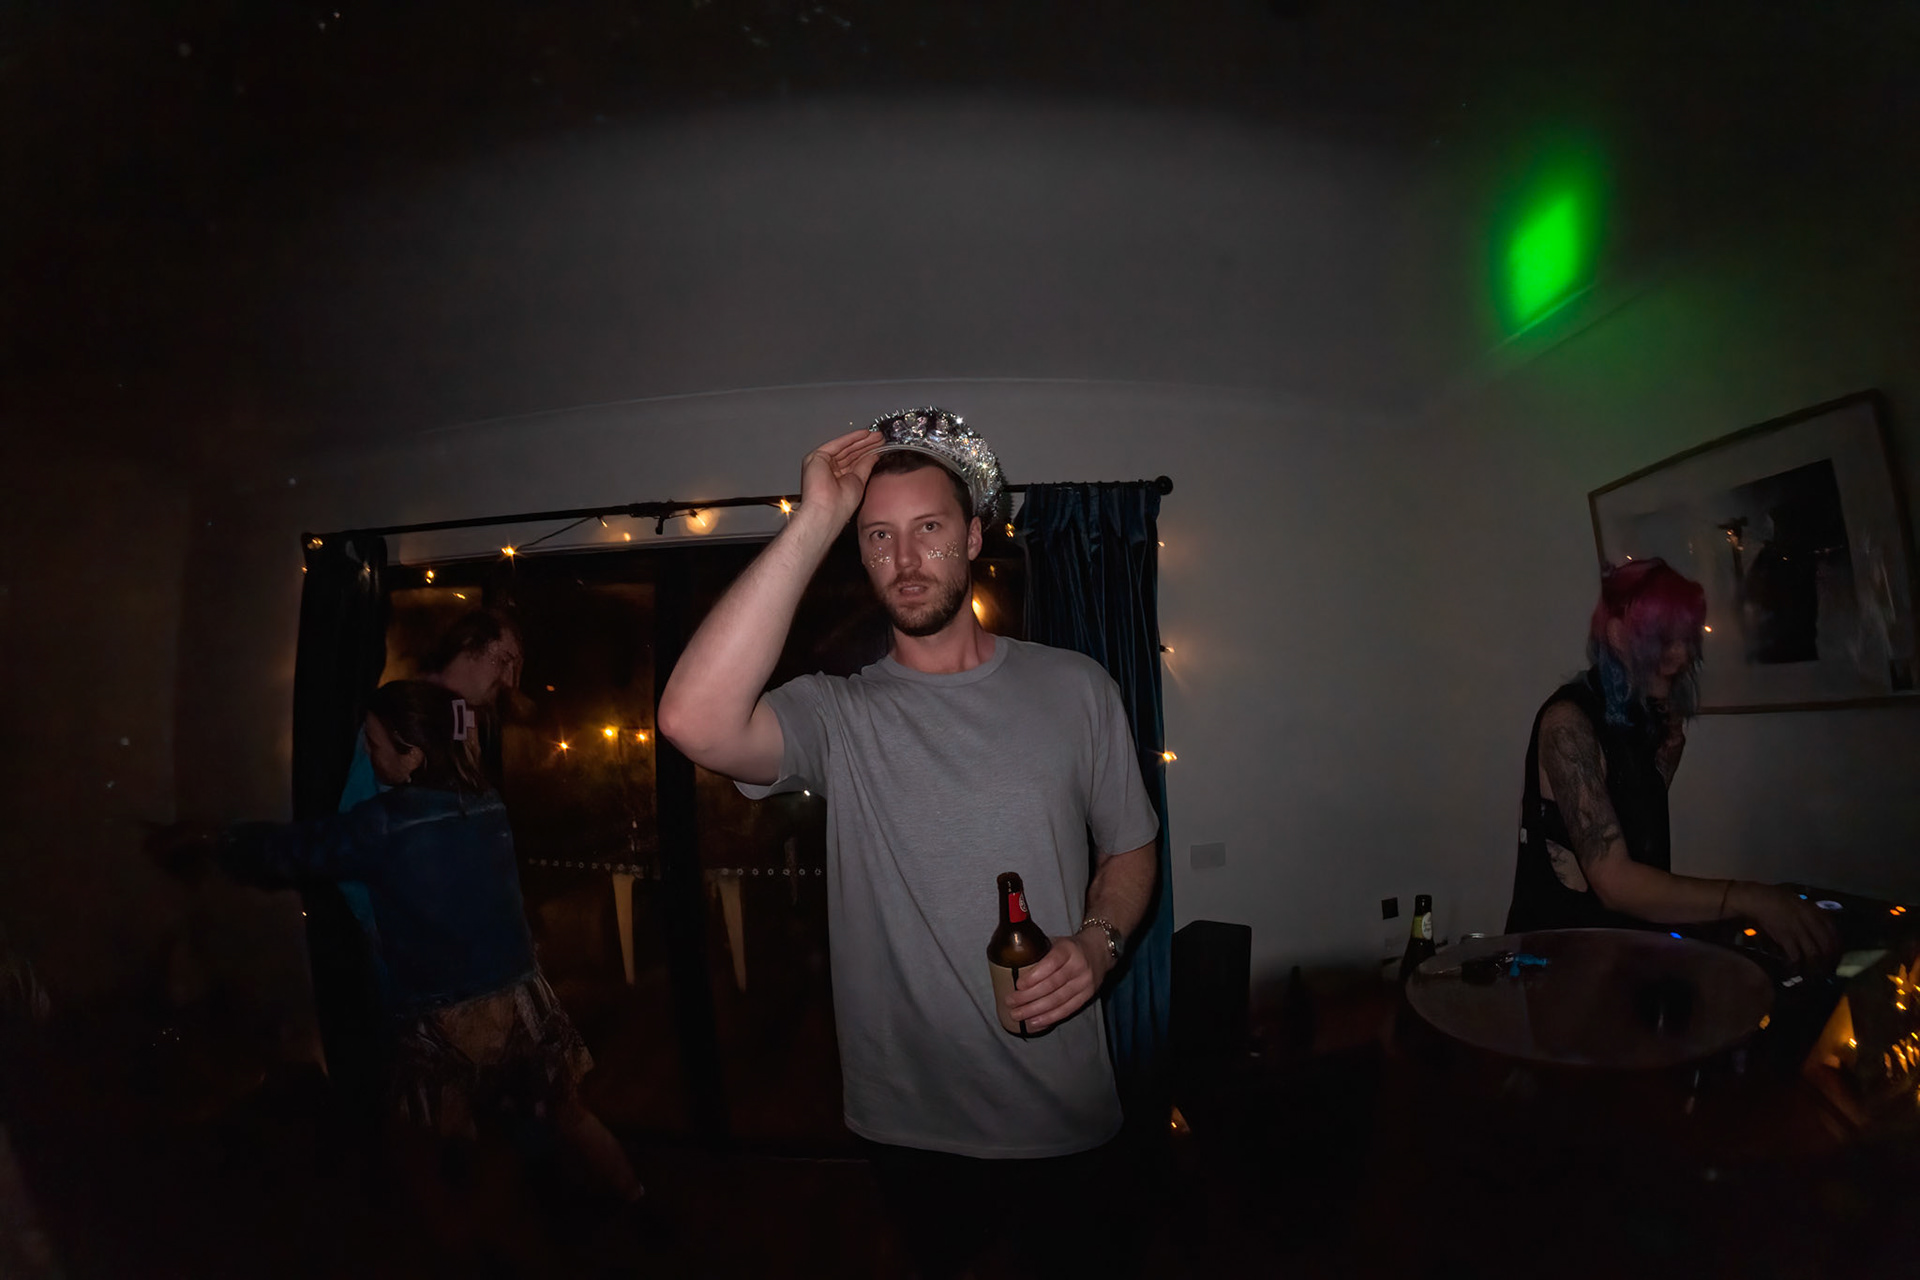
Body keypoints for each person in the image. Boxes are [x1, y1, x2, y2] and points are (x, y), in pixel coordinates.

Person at [657, 409, 1160, 1278]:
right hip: (909, 1124)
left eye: (928, 529)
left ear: (973, 538)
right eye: (877, 536)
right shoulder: (839, 713)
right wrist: (814, 518)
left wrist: (1098, 944)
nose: (904, 558)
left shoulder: (1077, 688)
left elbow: (1131, 847)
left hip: (1063, 1107)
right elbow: (691, 720)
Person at [155, 681, 641, 1237]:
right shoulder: (486, 803)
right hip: (522, 999)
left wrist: (218, 840)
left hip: (446, 1017)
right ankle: (635, 1199)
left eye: (375, 744)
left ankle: (462, 1248)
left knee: (419, 1145)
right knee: (568, 1113)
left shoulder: (385, 823)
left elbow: (295, 850)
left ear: (413, 754)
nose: (368, 755)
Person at [1506, 557, 1838, 964]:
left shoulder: (1640, 714)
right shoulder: (1567, 724)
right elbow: (1615, 882)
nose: (1681, 654)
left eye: (1686, 637)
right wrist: (1749, 897)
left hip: (1623, 958)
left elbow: (1632, 821)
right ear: (1618, 635)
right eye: (1663, 638)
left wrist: (1665, 760)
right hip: (1558, 965)